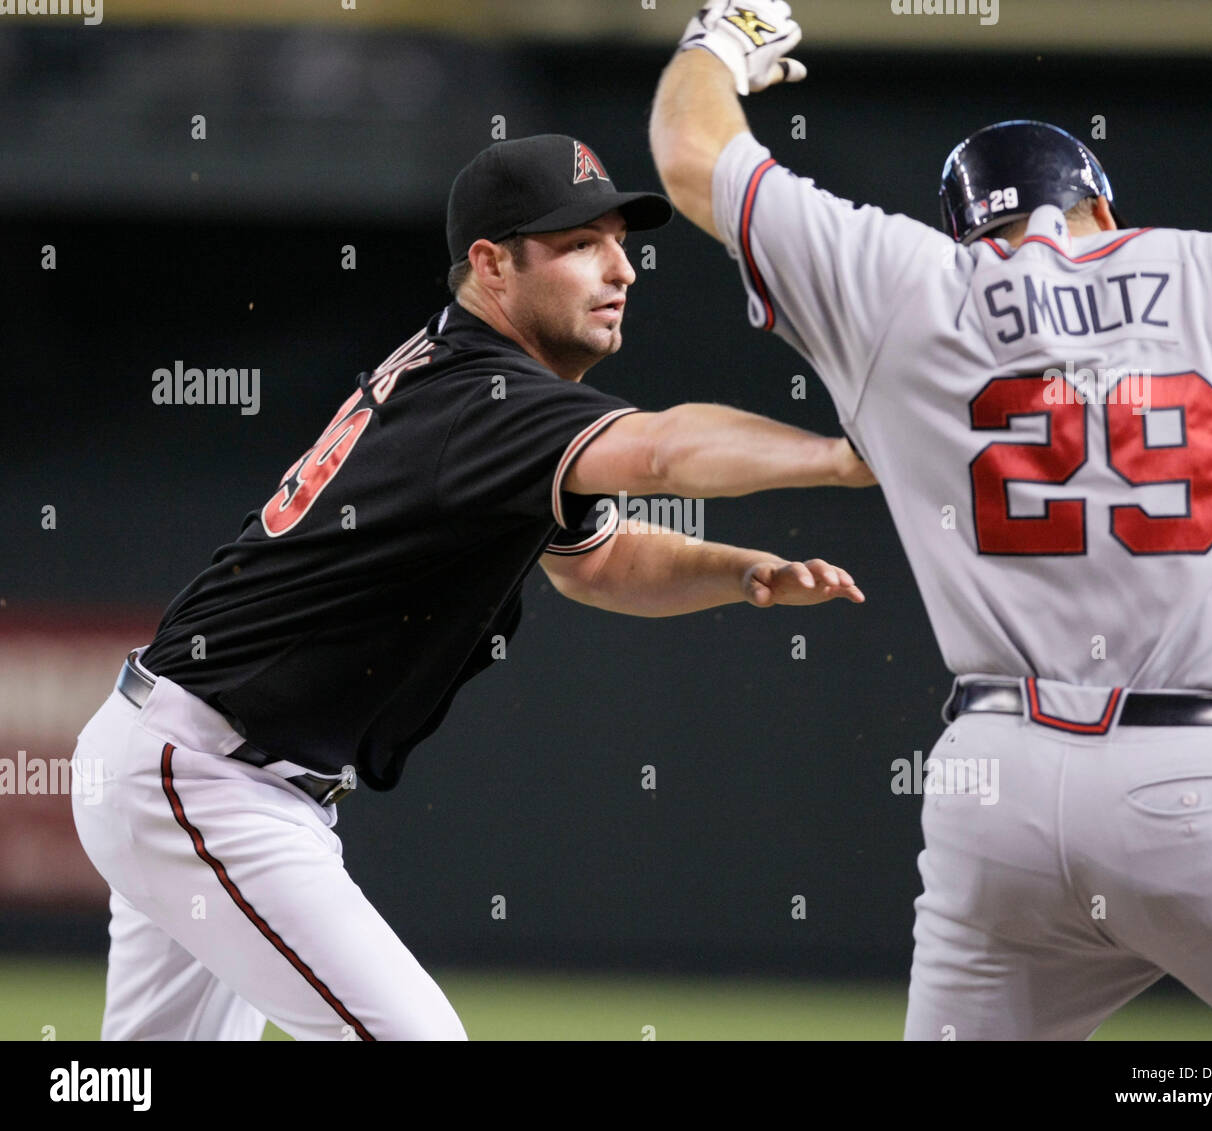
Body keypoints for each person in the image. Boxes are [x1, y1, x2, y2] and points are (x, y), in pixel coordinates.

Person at [70, 132, 874, 1042]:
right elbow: (661, 449)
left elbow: (599, 563)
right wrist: (842, 457)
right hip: (204, 774)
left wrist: (742, 571)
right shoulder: (486, 399)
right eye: (580, 245)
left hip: (192, 764)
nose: (621, 269)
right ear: (491, 265)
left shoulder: (481, 394)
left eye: (619, 240)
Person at [651, 0, 1212, 1040]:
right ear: (1100, 205)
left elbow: (690, 153)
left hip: (993, 782)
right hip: (1199, 774)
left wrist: (717, 39)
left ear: (968, 228)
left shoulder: (909, 286)